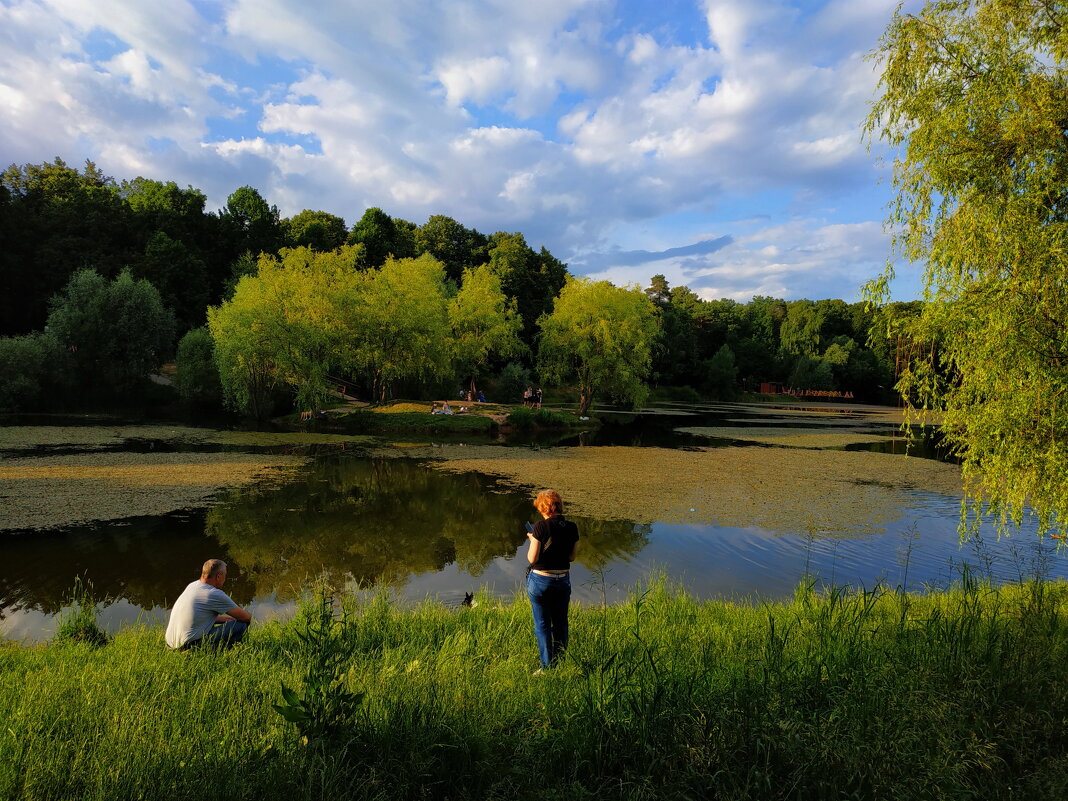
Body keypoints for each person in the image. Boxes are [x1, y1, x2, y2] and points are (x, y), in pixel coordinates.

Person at [525, 489, 579, 670]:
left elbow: (532, 559)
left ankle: (547, 667)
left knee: (542, 624)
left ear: (544, 508)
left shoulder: (540, 527)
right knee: (561, 623)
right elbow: (571, 557)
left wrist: (533, 539)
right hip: (563, 580)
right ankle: (561, 662)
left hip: (541, 581)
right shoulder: (572, 527)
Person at [165, 559, 251, 651]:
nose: (225, 579)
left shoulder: (192, 586)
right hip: (186, 645)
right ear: (219, 576)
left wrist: (223, 619)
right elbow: (246, 617)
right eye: (225, 575)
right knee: (241, 625)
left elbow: (195, 616)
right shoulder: (214, 594)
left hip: (170, 645)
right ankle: (219, 652)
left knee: (227, 622)